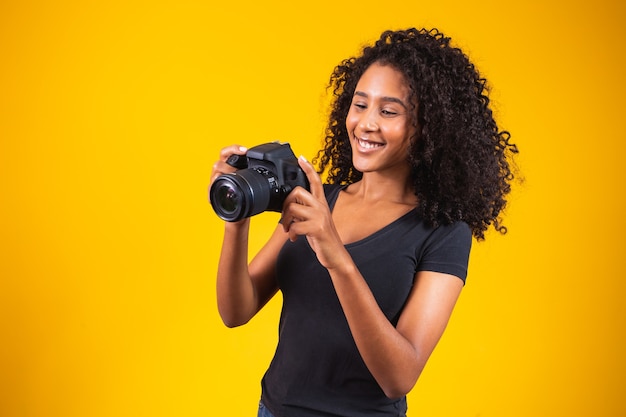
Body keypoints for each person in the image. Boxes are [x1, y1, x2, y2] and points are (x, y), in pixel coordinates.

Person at [210, 28, 518, 417]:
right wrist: (236, 217)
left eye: (388, 111)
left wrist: (336, 257)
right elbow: (236, 311)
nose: (366, 124)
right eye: (360, 105)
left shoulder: (443, 233)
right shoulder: (320, 200)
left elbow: (399, 376)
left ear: (427, 128)